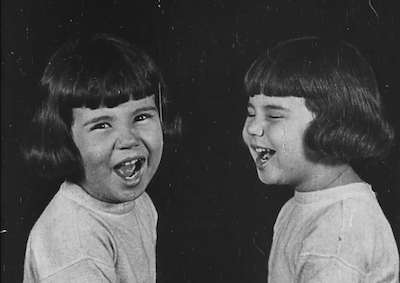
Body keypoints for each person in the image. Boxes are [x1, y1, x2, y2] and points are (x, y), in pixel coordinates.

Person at [21, 33, 180, 282]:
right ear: (63, 137)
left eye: (141, 117)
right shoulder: (74, 245)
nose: (129, 139)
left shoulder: (140, 204)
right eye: (102, 125)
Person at [242, 36, 399, 282]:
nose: (253, 128)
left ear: (331, 124)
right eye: (251, 113)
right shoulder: (301, 206)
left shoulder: (340, 228)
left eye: (274, 116)